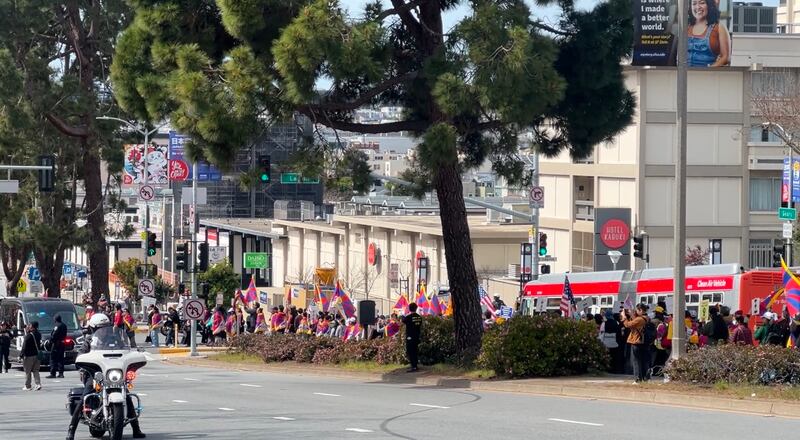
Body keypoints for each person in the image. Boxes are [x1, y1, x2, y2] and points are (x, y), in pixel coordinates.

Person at [66, 313, 145, 440]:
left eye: (104, 327)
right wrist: (81, 360)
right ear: (93, 328)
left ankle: (136, 428)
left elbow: (126, 350)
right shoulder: (89, 341)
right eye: (98, 328)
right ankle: (71, 430)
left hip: (113, 373)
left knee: (128, 396)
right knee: (84, 397)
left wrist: (133, 354)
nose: (102, 330)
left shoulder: (115, 339)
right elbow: (80, 355)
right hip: (94, 374)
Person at [687, 0, 731, 67]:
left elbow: (726, 57)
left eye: (702, 3)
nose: (698, 7)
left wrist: (708, 71)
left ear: (709, 5)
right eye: (694, 4)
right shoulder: (686, 27)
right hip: (685, 75)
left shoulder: (719, 27)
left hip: (708, 75)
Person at [622, 304, 649, 384]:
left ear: (641, 310)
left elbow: (628, 325)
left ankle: (637, 379)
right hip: (642, 342)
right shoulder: (646, 318)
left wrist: (624, 318)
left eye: (637, 310)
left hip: (636, 341)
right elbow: (635, 324)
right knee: (643, 361)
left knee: (636, 361)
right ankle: (645, 378)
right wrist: (631, 315)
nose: (636, 312)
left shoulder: (640, 319)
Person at [20, 321, 42, 391]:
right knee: (36, 370)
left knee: (28, 371)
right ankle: (38, 384)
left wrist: (21, 355)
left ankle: (27, 386)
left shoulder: (29, 335)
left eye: (29, 325)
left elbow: (24, 346)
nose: (28, 326)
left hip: (29, 356)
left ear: (32, 326)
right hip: (37, 355)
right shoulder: (38, 334)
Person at [402, 302, 423, 373]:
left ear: (409, 309)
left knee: (410, 351)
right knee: (415, 351)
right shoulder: (419, 317)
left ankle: (413, 366)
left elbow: (403, 321)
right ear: (416, 308)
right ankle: (415, 365)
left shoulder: (408, 317)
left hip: (410, 337)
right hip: (417, 336)